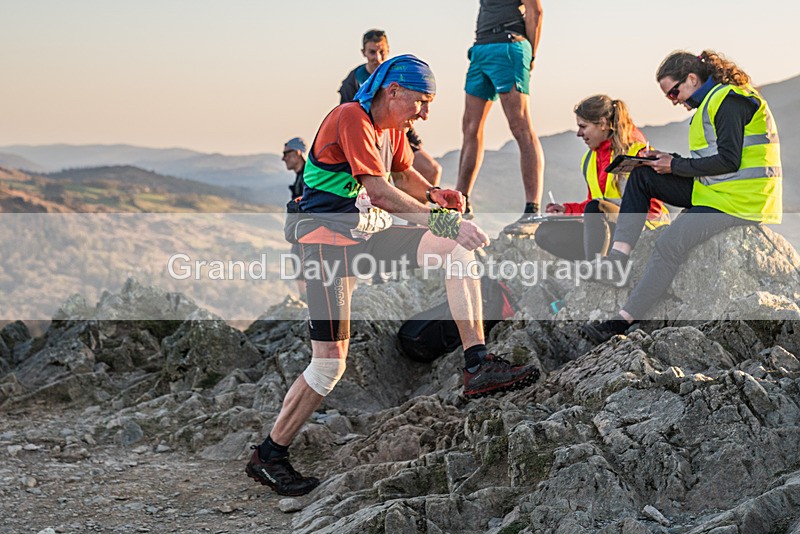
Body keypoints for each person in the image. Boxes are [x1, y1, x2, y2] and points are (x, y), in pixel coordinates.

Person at [246, 55, 540, 497]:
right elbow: (380, 192)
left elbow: (404, 175)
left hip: (363, 235)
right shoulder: (351, 117)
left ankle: (477, 363)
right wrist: (444, 220)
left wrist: (436, 195)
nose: (424, 113)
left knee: (456, 250)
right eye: (421, 102)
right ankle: (269, 455)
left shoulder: (392, 129)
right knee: (328, 365)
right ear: (393, 91)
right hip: (324, 244)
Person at [581, 50, 782, 344]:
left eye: (674, 92)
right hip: (716, 190)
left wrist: (674, 165)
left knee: (668, 245)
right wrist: (667, 160)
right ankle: (617, 259)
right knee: (643, 174)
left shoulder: (729, 100)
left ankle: (620, 321)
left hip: (740, 201)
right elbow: (713, 159)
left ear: (691, 78)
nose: (674, 100)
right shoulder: (713, 101)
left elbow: (729, 160)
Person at [535, 95, 668, 261]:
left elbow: (653, 211)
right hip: (609, 227)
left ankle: (598, 271)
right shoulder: (589, 160)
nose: (579, 133)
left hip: (642, 230)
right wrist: (566, 211)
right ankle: (595, 265)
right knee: (545, 233)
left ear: (603, 124)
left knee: (597, 209)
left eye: (583, 126)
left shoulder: (638, 153)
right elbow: (595, 206)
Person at [455, 0, 545, 230]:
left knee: (520, 126)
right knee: (470, 127)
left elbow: (536, 11)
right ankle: (460, 203)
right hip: (481, 48)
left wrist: (530, 55)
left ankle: (532, 210)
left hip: (509, 44)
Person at [339, 29, 442, 187]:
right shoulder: (353, 80)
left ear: (388, 51)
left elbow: (407, 110)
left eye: (382, 52)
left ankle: (414, 209)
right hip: (366, 135)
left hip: (399, 130)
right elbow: (346, 115)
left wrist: (415, 142)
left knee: (432, 170)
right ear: (364, 53)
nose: (377, 58)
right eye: (372, 52)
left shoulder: (396, 73)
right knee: (380, 180)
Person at [282, 137, 307, 298]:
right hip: (304, 232)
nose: (283, 158)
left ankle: (306, 300)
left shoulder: (306, 177)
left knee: (299, 260)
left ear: (297, 153)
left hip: (306, 232)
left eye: (286, 153)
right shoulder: (304, 176)